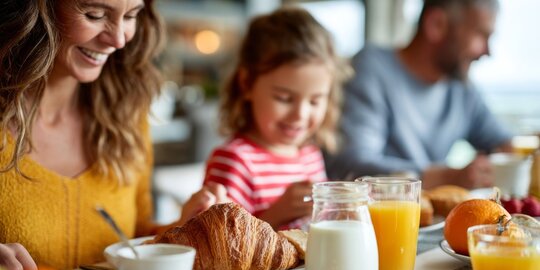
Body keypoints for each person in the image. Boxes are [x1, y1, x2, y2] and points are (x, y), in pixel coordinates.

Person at [0, 0, 227, 270]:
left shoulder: (128, 120)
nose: (119, 39)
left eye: (131, 16)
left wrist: (183, 226)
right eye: (94, 15)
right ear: (39, 9)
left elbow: (135, 236)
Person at [325, 0, 513, 189]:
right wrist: (447, 177)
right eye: (481, 35)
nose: (488, 52)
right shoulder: (370, 68)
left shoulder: (462, 88)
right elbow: (349, 166)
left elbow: (504, 144)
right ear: (436, 25)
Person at [203, 7, 352, 230]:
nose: (300, 114)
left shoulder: (310, 156)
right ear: (246, 84)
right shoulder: (234, 161)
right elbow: (221, 245)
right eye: (284, 98)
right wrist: (277, 214)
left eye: (315, 101)